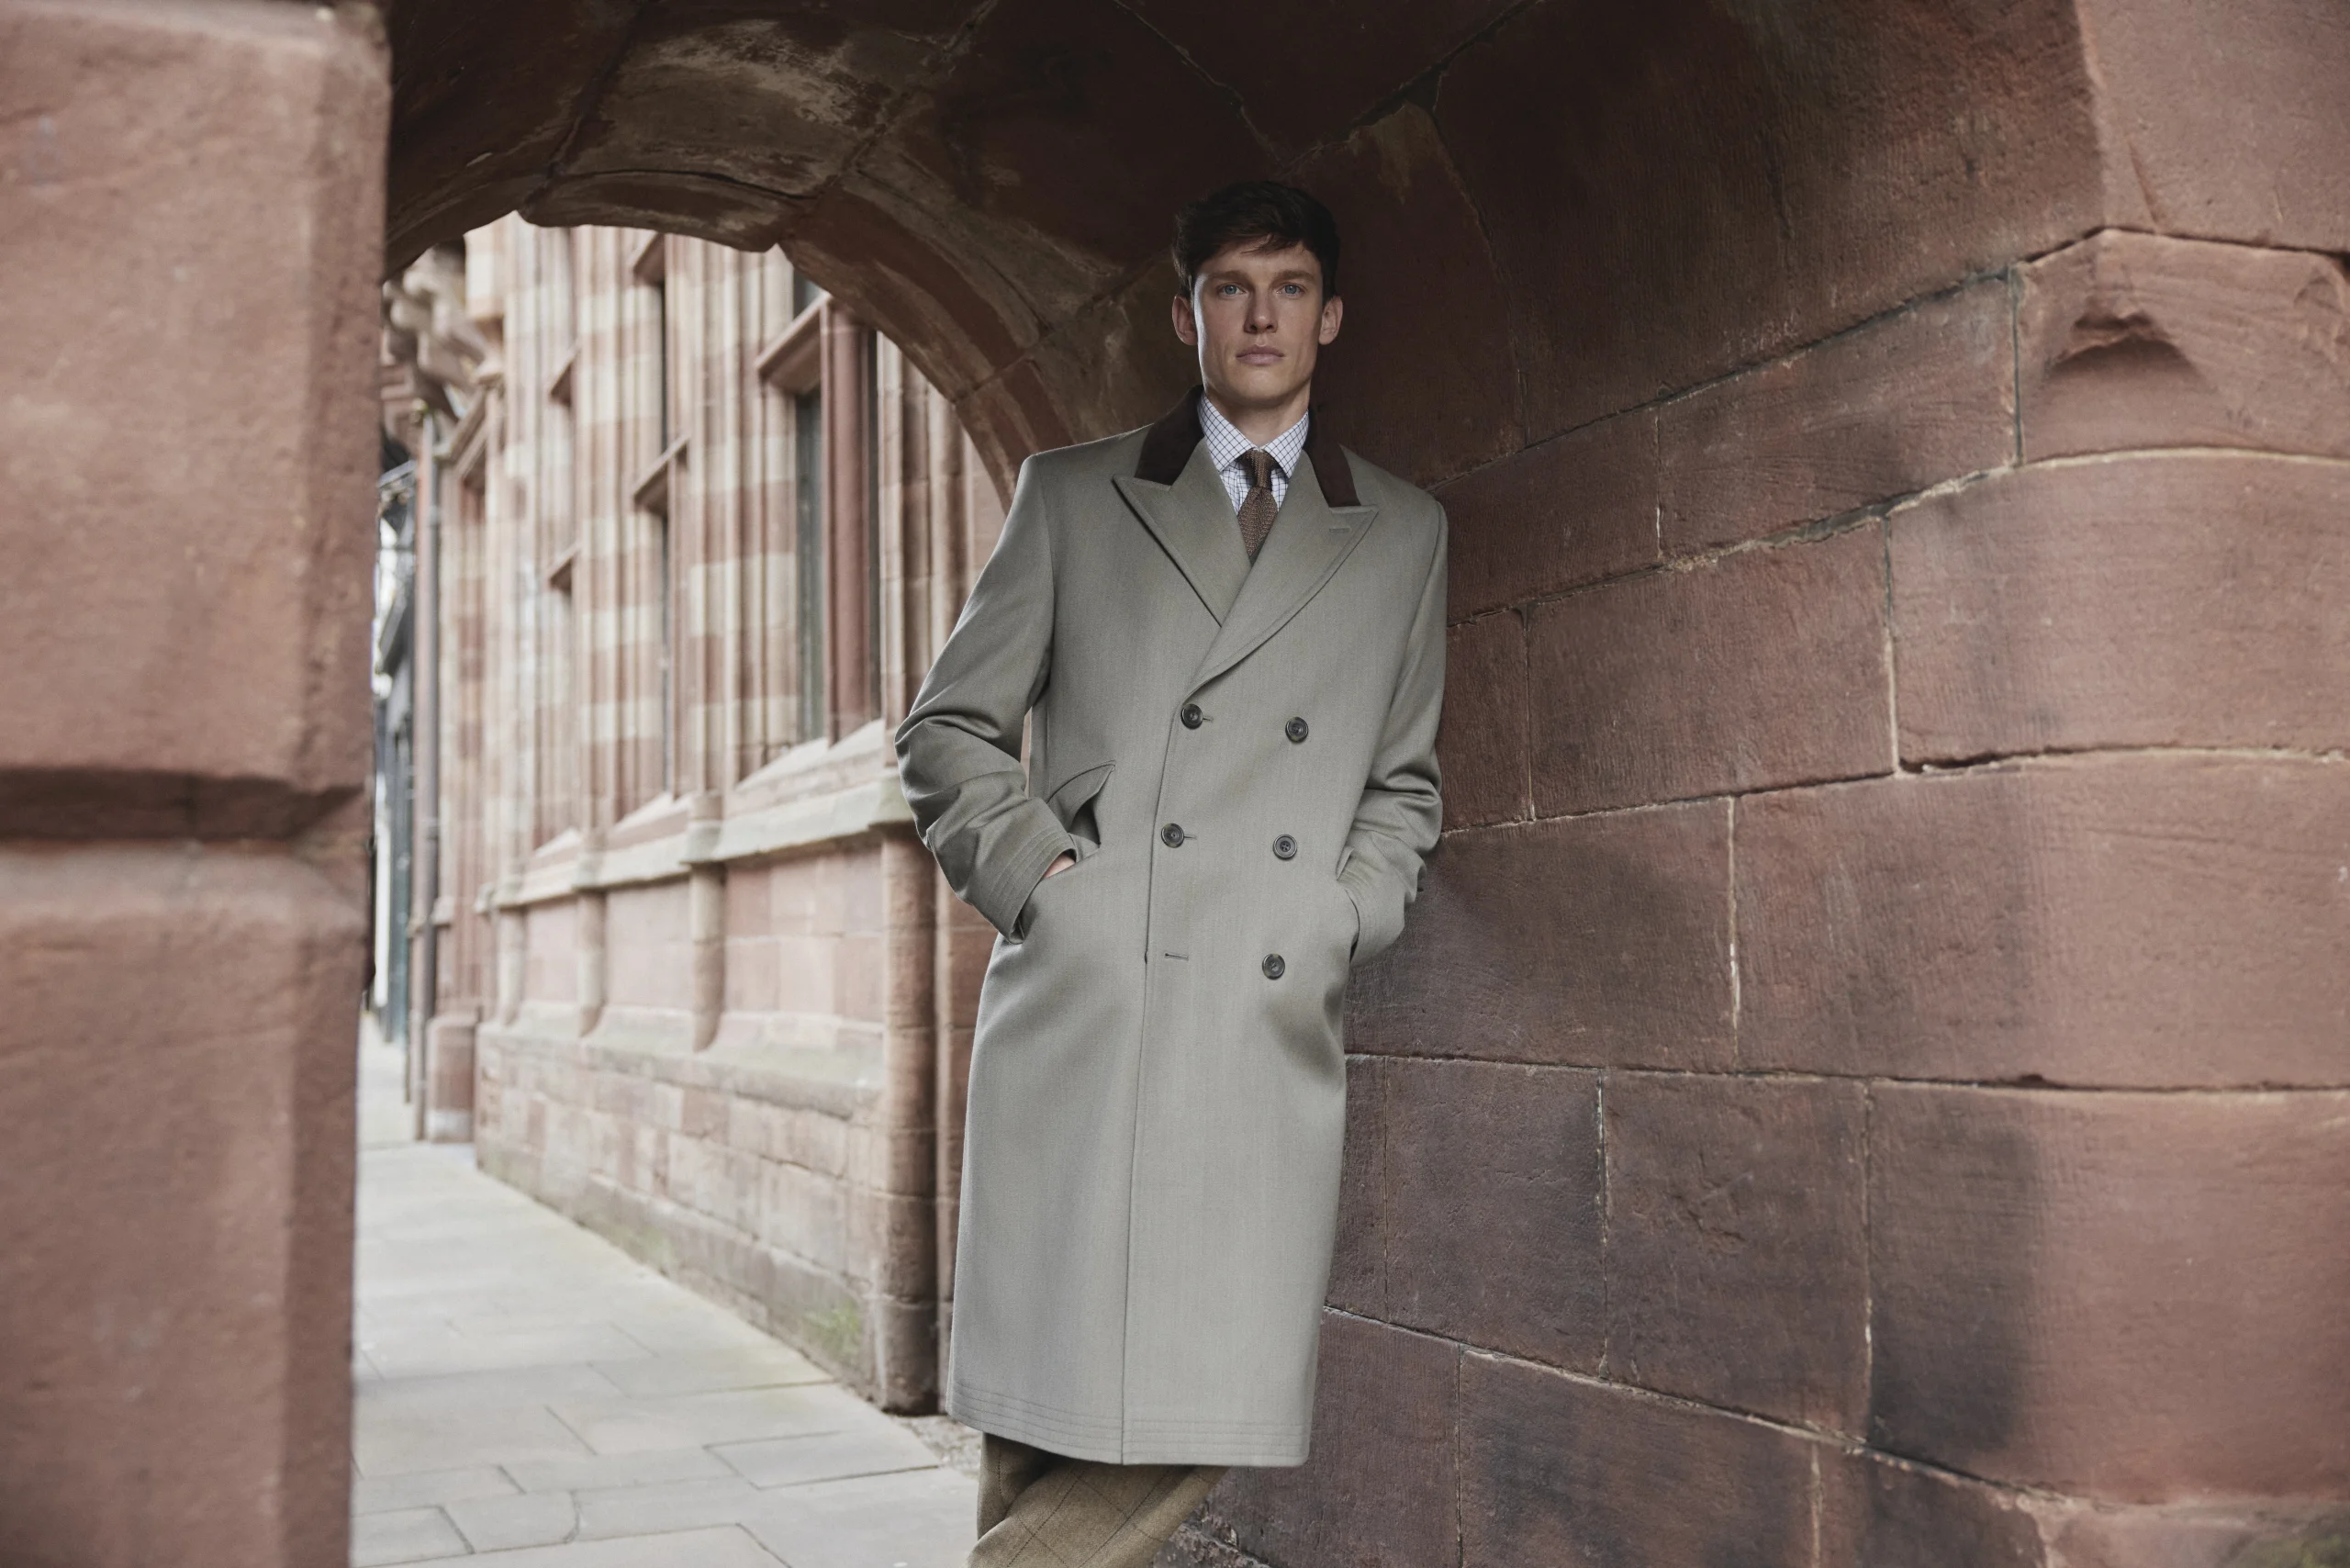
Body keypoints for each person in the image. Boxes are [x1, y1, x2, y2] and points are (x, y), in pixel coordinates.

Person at [896, 179, 1447, 1568]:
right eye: (1229, 286)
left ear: (1333, 316)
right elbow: (949, 728)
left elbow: (1402, 784)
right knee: (1046, 1410)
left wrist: (1336, 919)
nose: (1260, 314)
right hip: (1091, 1001)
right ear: (1187, 311)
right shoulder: (1075, 496)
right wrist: (1049, 891)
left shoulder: (1402, 531)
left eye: (1290, 286)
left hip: (1260, 1017)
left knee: (1212, 1394)